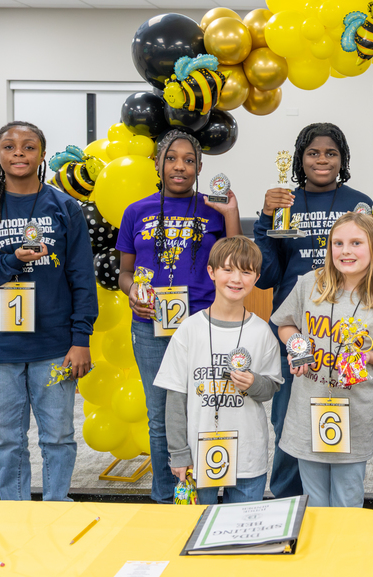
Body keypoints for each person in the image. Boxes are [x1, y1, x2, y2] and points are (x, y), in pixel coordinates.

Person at [0, 121, 97, 501]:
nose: (19, 152)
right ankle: (15, 512)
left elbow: (82, 278)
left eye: (28, 146)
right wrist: (10, 262)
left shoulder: (65, 207)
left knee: (58, 436)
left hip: (54, 344)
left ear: (41, 154)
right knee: (7, 440)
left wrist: (81, 339)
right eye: (9, 146)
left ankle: (55, 507)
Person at [116, 130, 242, 504]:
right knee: (159, 418)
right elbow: (124, 272)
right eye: (172, 158)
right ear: (158, 163)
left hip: (204, 325)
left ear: (200, 167)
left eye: (189, 160)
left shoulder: (213, 208)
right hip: (151, 326)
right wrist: (132, 292)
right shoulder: (136, 212)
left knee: (208, 410)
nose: (180, 166)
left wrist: (232, 214)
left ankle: (207, 493)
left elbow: (234, 261)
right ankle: (166, 496)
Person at [255, 123, 372, 500]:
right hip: (298, 333)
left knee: (342, 418)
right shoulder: (284, 203)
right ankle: (288, 502)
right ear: (299, 160)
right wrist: (264, 218)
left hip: (344, 334)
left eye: (331, 153)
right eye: (313, 153)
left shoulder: (360, 204)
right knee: (291, 420)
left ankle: (337, 505)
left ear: (343, 159)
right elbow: (267, 276)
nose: (322, 160)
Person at [270, 213, 373, 507]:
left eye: (356, 243)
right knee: (315, 500)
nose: (345, 251)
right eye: (338, 243)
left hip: (353, 416)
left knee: (347, 499)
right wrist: (296, 343)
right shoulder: (310, 285)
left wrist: (366, 355)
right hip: (308, 412)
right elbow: (285, 324)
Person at [154, 236, 282, 504]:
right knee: (197, 534)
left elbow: (270, 388)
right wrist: (178, 452)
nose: (236, 279)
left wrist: (254, 382)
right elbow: (176, 398)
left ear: (256, 277)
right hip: (199, 457)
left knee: (242, 533)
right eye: (228, 269)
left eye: (246, 272)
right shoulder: (188, 330)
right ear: (211, 272)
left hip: (248, 455)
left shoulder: (262, 332)